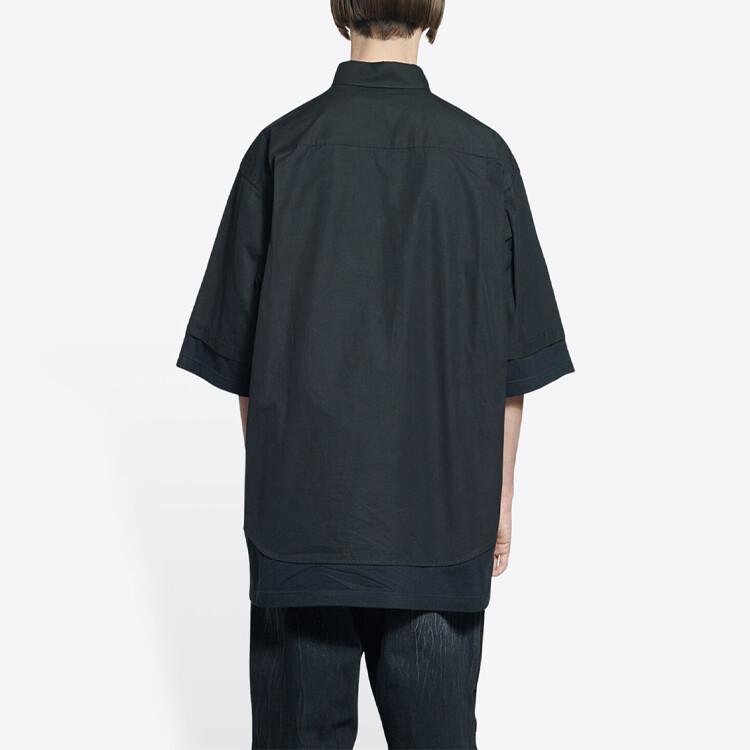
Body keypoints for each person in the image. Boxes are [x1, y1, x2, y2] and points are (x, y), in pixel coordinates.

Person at [177, 1, 574, 747]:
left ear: (341, 14)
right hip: (441, 526)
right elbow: (513, 364)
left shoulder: (281, 148)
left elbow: (243, 364)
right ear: (432, 16)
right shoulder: (483, 157)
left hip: (302, 531)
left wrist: (284, 493)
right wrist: (498, 501)